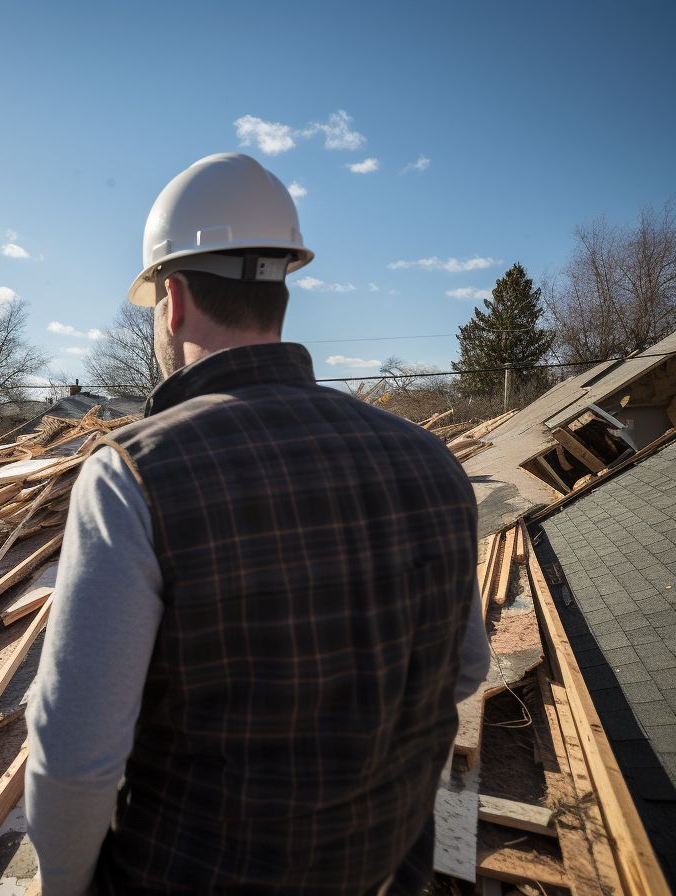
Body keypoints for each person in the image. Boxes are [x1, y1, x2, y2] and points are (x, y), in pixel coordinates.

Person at [25, 154, 488, 895]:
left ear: (171, 300)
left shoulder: (135, 474)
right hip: (382, 871)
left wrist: (64, 887)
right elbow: (464, 668)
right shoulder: (431, 462)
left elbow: (76, 758)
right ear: (282, 294)